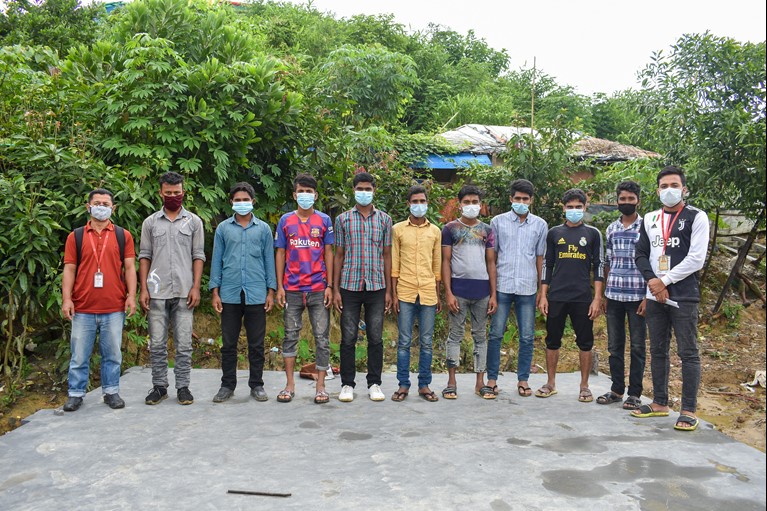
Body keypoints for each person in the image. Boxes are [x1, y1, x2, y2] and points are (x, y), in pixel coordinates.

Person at [633, 166, 709, 432]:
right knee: (658, 350)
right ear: (657, 191)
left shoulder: (697, 217)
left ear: (684, 189)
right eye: (664, 186)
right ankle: (660, 402)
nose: (669, 190)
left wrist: (663, 281)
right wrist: (653, 282)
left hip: (684, 295)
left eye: (674, 185)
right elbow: (640, 254)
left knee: (688, 352)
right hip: (654, 296)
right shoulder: (650, 219)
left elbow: (696, 259)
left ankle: (688, 409)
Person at [61, 189, 137, 411]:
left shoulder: (123, 235)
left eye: (106, 203)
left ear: (113, 208)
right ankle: (75, 394)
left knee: (112, 354)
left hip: (113, 307)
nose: (101, 207)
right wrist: (67, 299)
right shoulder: (75, 236)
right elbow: (69, 269)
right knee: (79, 355)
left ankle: (111, 391)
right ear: (88, 206)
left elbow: (130, 268)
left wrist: (131, 295)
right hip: (82, 307)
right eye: (97, 203)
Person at [139, 172, 205, 406]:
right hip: (156, 291)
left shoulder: (194, 222)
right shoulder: (150, 223)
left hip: (185, 291)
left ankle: (183, 387)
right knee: (156, 343)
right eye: (168, 193)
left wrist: (196, 287)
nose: (173, 196)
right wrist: (143, 288)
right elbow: (145, 256)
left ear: (183, 192)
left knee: (184, 343)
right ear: (161, 193)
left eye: (177, 193)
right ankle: (159, 387)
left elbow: (198, 256)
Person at [209, 182, 276, 403]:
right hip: (229, 293)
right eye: (237, 200)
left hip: (256, 292)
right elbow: (217, 260)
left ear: (253, 202)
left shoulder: (264, 229)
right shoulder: (223, 229)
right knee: (228, 343)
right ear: (231, 202)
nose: (241, 203)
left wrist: (271, 290)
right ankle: (227, 385)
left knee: (256, 343)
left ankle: (257, 385)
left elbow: (269, 260)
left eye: (245, 200)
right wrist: (215, 291)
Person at [537, 188, 604, 402]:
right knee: (552, 340)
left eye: (578, 207)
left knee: (585, 342)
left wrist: (597, 298)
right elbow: (548, 264)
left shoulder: (593, 234)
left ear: (585, 208)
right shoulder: (554, 233)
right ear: (563, 208)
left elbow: (599, 266)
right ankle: (550, 383)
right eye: (569, 207)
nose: (574, 210)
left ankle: (584, 386)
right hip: (556, 295)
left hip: (583, 297)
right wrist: (544, 295)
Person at [274, 174, 334, 404]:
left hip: (318, 288)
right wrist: (279, 286)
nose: (305, 196)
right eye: (301, 191)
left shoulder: (324, 221)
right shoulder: (286, 221)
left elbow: (329, 252)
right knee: (290, 336)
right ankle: (289, 385)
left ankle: (321, 387)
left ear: (316, 196)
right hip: (292, 288)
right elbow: (280, 252)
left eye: (309, 192)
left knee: (322, 338)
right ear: (294, 195)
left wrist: (329, 285)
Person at [332, 171, 392, 402]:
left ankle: (374, 383)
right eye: (360, 188)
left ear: (374, 190)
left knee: (375, 337)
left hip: (376, 286)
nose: (364, 192)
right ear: (354, 190)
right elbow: (338, 255)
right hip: (349, 285)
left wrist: (388, 290)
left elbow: (387, 256)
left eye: (368, 188)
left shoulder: (385, 220)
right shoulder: (343, 219)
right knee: (348, 337)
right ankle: (347, 384)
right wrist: (335, 288)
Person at [487, 179, 547, 398]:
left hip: (528, 287)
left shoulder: (540, 225)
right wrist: (492, 292)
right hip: (502, 286)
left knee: (527, 336)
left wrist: (542, 291)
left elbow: (541, 258)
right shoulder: (497, 222)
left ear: (531, 200)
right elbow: (491, 259)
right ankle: (492, 380)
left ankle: (523, 380)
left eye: (525, 199)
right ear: (511, 199)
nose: (521, 202)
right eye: (517, 198)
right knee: (495, 335)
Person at [441, 185, 497, 400]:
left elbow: (491, 263)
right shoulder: (450, 229)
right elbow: (445, 261)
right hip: (459, 291)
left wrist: (493, 294)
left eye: (475, 202)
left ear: (480, 205)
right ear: (460, 204)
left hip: (482, 291)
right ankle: (451, 382)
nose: (471, 205)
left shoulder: (487, 230)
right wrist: (448, 292)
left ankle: (480, 383)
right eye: (467, 202)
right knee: (454, 336)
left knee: (480, 337)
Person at [597, 181, 647, 410]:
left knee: (637, 346)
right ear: (617, 201)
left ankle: (635, 393)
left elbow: (653, 263)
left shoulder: (647, 227)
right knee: (615, 346)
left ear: (638, 200)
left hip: (638, 296)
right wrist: (606, 294)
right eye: (622, 199)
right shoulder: (611, 229)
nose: (626, 203)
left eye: (631, 199)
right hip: (614, 295)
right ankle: (617, 389)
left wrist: (649, 296)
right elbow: (607, 262)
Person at [390, 186, 443, 402]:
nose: (419, 205)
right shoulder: (398, 230)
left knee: (427, 342)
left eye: (422, 201)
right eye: (415, 201)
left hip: (429, 292)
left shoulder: (435, 231)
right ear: (408, 204)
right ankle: (403, 385)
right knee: (404, 342)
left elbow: (437, 265)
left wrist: (438, 294)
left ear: (427, 203)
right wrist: (393, 295)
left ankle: (424, 385)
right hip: (405, 290)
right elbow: (394, 264)